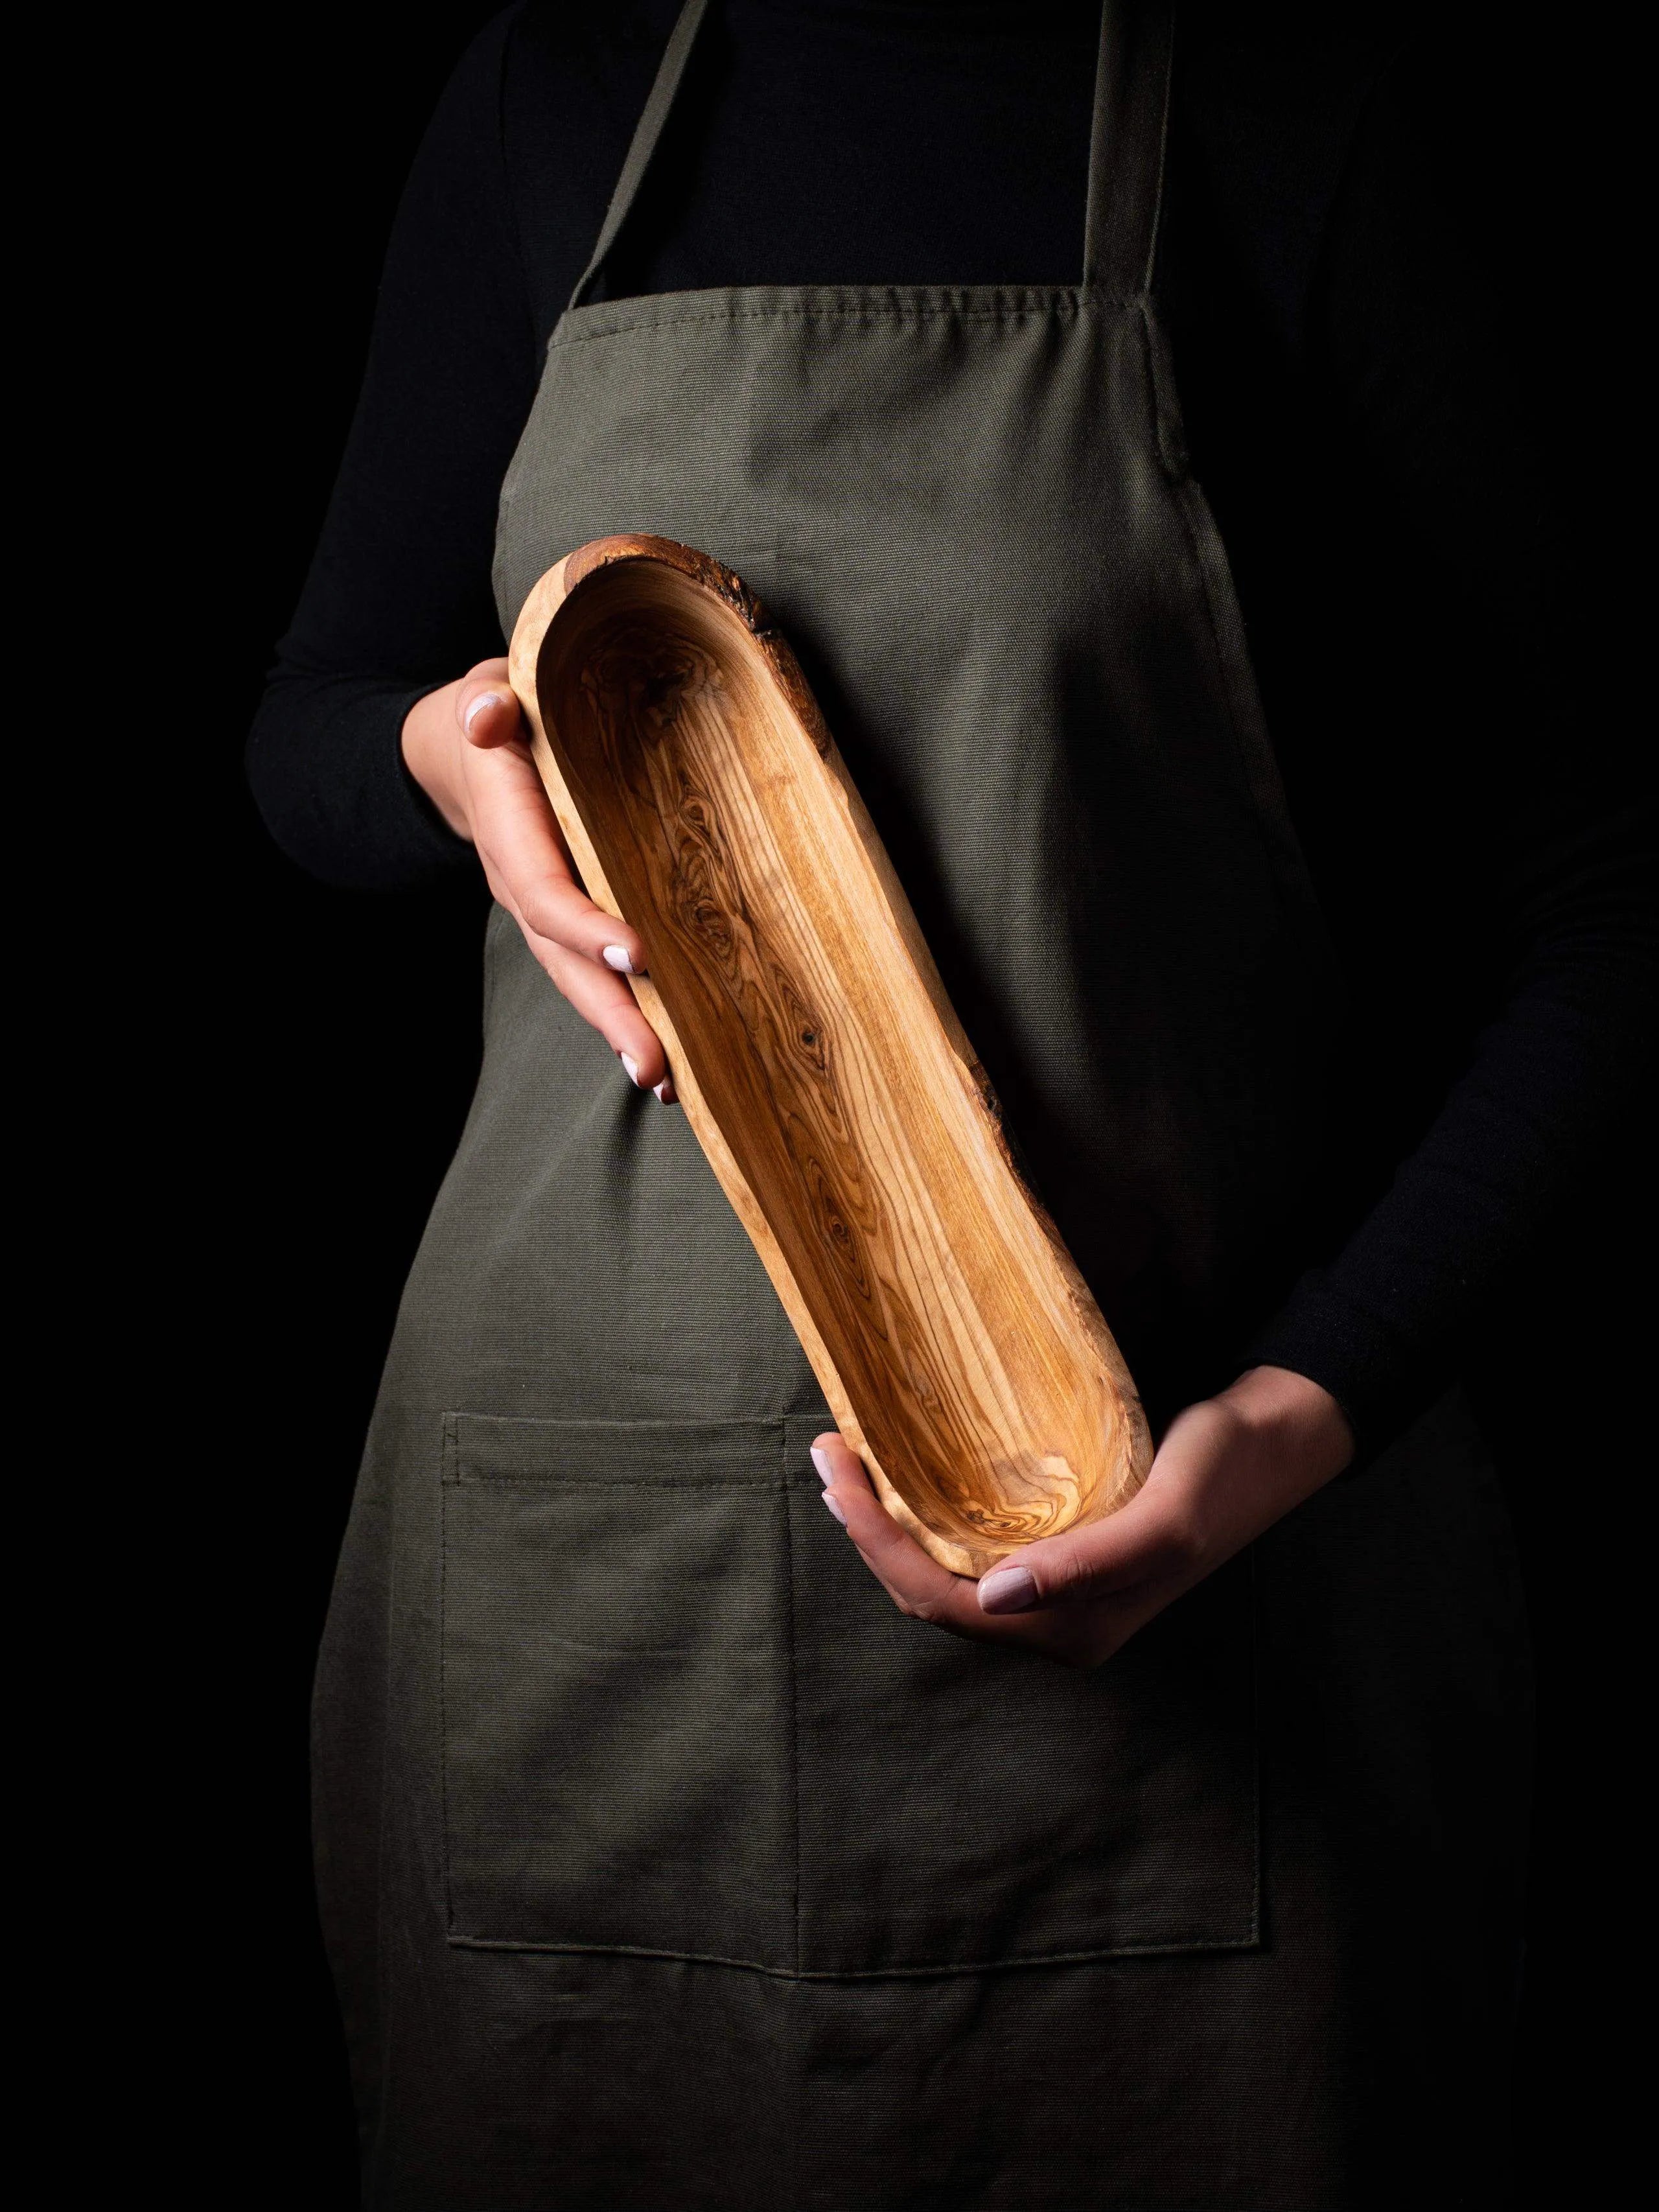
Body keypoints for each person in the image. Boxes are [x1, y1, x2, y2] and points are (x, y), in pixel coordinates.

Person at [247, 3, 1651, 2205]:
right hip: (578, 1627)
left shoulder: (1301, 124)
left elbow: (1613, 916)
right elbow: (310, 727)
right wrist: (434, 763)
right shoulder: (552, 95)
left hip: (1202, 1602)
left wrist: (1294, 1419)